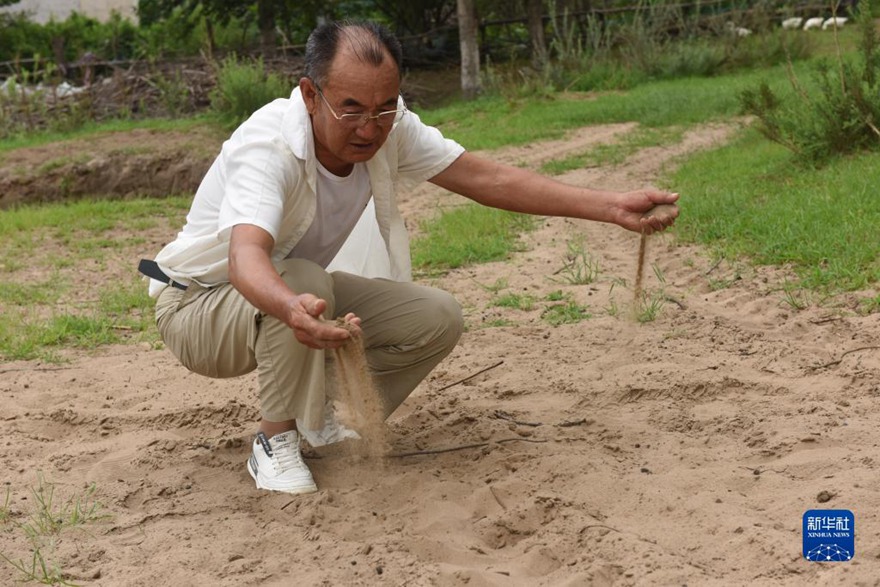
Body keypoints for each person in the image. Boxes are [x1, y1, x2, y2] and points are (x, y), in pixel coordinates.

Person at [141, 20, 678, 495]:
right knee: (305, 279)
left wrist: (610, 207)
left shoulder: (391, 128)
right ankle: (274, 443)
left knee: (435, 316)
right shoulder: (269, 147)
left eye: (384, 108)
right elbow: (245, 259)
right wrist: (289, 305)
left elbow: (486, 178)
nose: (370, 128)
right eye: (350, 108)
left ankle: (324, 421)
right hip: (199, 310)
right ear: (309, 95)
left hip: (293, 296)